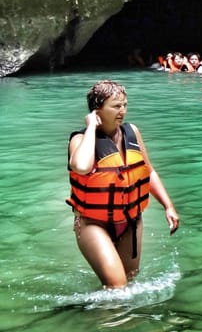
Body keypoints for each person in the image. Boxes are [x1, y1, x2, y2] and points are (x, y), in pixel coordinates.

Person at [67, 81, 179, 289]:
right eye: (116, 106)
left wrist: (168, 206)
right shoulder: (80, 139)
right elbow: (81, 166)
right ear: (97, 110)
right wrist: (92, 125)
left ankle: (116, 318)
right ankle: (107, 320)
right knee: (117, 286)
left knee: (129, 283)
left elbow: (148, 170)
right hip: (93, 223)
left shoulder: (132, 132)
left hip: (131, 221)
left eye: (125, 105)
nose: (123, 111)